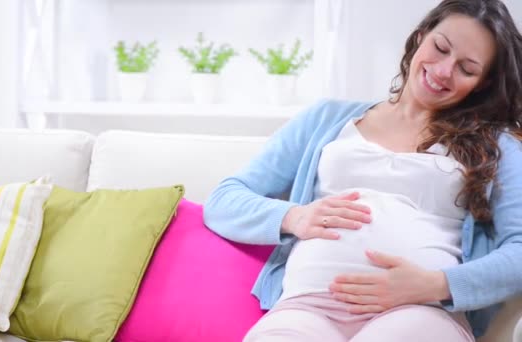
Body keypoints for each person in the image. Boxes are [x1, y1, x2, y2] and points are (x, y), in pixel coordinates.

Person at [203, 0, 522, 341]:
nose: (443, 70)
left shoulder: (497, 145)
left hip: (420, 313)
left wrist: (436, 285)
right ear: (419, 37)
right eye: (440, 48)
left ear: (482, 85)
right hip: (306, 309)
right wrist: (294, 217)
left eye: (467, 69)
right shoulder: (325, 119)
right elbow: (224, 199)